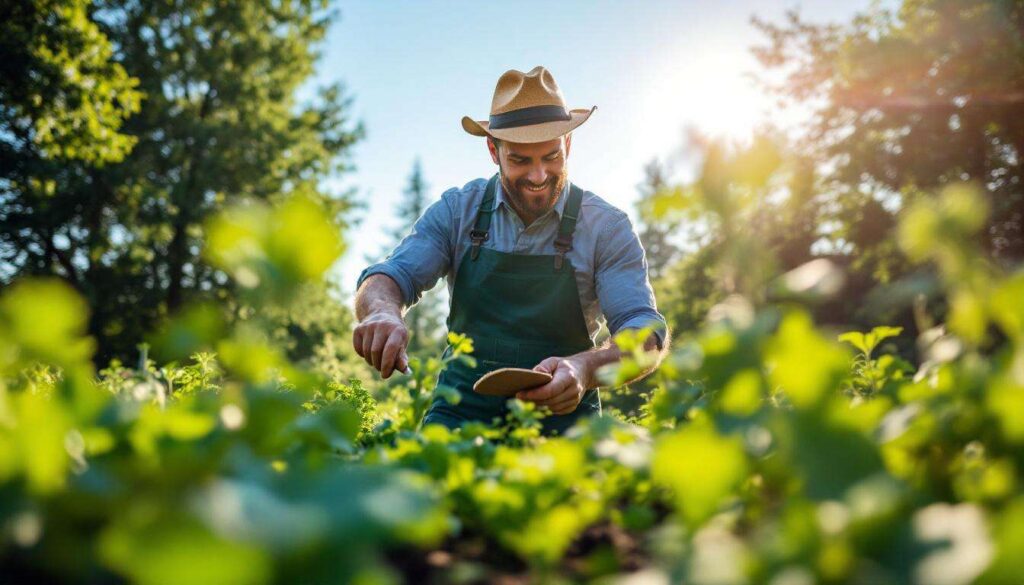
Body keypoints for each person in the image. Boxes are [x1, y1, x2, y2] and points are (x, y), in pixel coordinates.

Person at [353, 66, 670, 435]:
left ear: (568, 145)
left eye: (551, 156)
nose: (538, 176)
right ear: (494, 150)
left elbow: (643, 333)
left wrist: (583, 369)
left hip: (567, 427)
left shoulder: (606, 228)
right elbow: (392, 276)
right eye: (521, 160)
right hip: (459, 419)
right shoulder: (458, 211)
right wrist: (382, 311)